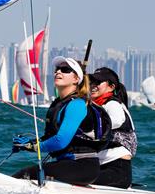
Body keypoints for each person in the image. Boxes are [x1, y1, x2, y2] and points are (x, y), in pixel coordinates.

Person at [12, 56, 110, 185]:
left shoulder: (77, 105)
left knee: (23, 175)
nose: (58, 72)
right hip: (67, 164)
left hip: (82, 166)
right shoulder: (60, 104)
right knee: (27, 174)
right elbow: (50, 138)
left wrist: (35, 147)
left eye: (65, 69)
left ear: (76, 79)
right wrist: (28, 145)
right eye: (57, 69)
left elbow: (60, 141)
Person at [88, 67, 137, 188]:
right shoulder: (98, 106)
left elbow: (116, 121)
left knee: (75, 177)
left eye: (98, 82)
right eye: (91, 82)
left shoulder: (113, 104)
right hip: (101, 165)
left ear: (111, 87)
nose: (93, 85)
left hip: (117, 170)